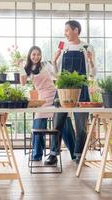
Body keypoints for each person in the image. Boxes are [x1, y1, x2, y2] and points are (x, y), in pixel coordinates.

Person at [44, 20, 96, 165]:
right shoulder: (63, 46)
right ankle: (53, 154)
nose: (65, 33)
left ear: (76, 30)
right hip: (63, 89)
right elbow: (55, 74)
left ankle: (79, 155)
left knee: (81, 126)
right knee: (57, 123)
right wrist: (54, 61)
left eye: (67, 30)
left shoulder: (87, 47)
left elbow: (93, 73)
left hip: (82, 89)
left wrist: (91, 61)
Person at [20, 46, 58, 161]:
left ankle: (72, 154)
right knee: (38, 125)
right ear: (30, 56)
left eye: (38, 54)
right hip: (42, 99)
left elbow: (56, 75)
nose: (36, 57)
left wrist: (55, 62)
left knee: (62, 125)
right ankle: (37, 155)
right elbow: (22, 83)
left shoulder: (45, 65)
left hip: (54, 96)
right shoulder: (27, 68)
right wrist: (21, 67)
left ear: (41, 55)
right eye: (33, 54)